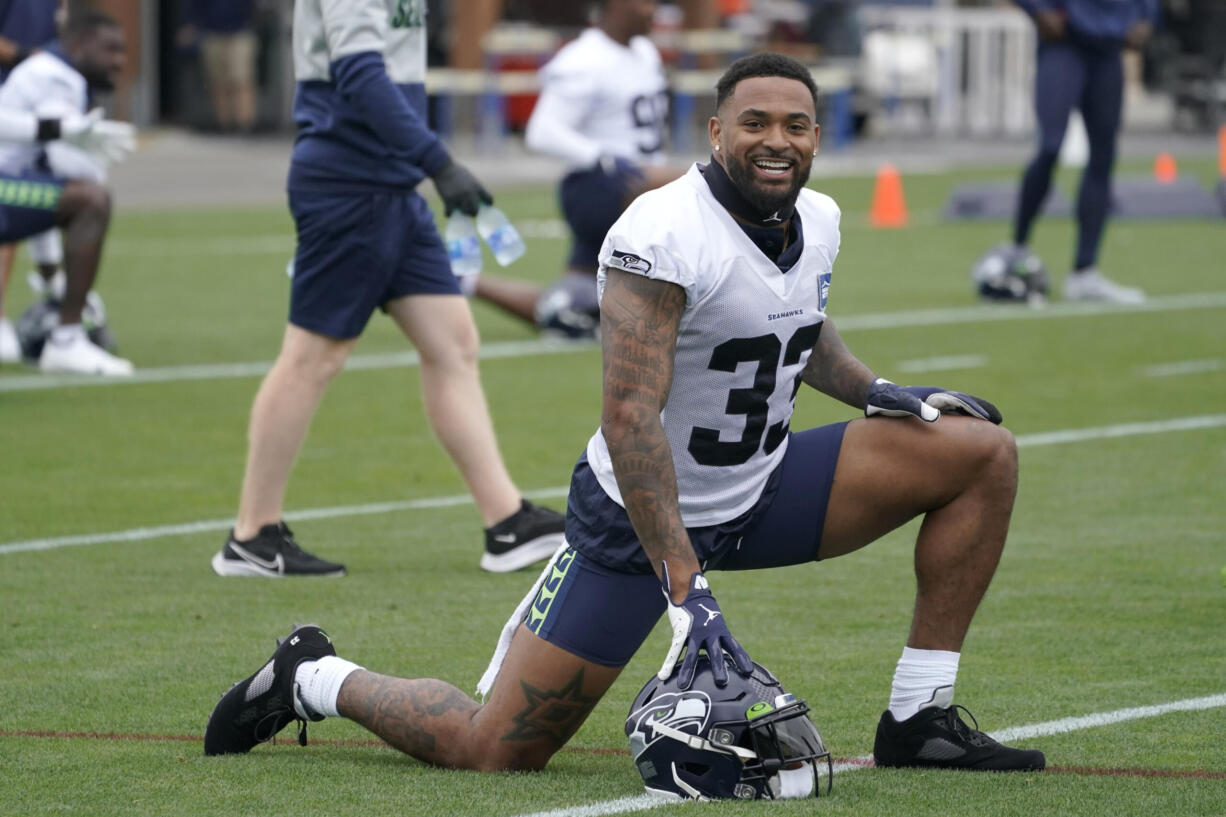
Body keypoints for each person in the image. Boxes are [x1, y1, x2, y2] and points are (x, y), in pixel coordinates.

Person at [204, 53, 1046, 783]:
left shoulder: (815, 218)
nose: (777, 140)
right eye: (755, 122)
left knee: (980, 453)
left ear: (818, 136)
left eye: (796, 125)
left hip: (764, 484)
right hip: (642, 522)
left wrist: (875, 391)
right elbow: (630, 421)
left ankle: (919, 720)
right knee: (492, 748)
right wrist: (686, 586)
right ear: (715, 132)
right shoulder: (663, 233)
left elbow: (794, 321)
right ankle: (312, 675)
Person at [208, 0, 565, 579]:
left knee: (453, 343)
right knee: (313, 358)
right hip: (350, 187)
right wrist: (439, 162)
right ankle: (252, 533)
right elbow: (359, 74)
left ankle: (506, 524)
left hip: (392, 189)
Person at [472, 0, 681, 339]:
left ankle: (457, 279)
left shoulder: (644, 51)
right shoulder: (584, 58)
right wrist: (606, 158)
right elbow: (542, 131)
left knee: (577, 310)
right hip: (601, 189)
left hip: (633, 191)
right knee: (706, 184)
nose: (652, 9)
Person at [0, 10, 135, 375]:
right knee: (91, 198)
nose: (119, 61)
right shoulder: (55, 76)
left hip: (7, 190)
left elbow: (44, 182)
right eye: (110, 49)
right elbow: (61, 161)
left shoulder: (52, 72)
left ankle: (65, 337)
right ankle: (67, 339)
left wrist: (51, 278)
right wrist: (65, 135)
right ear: (78, 44)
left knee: (77, 196)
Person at [1008, 0, 1159, 304]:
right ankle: (1018, 249)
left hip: (1107, 49)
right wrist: (1037, 10)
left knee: (1103, 157)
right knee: (1051, 146)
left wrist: (1148, 16)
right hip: (1064, 44)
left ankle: (1084, 271)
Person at [0, 0, 66, 364]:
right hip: (7, 98)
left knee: (46, 193)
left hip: (37, 102)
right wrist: (29, 56)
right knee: (8, 202)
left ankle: (59, 294)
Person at [178, 0, 260, 135]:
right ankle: (225, 125)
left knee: (242, 79)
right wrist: (189, 26)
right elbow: (195, 6)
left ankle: (245, 124)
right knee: (218, 82)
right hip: (212, 33)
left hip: (240, 32)